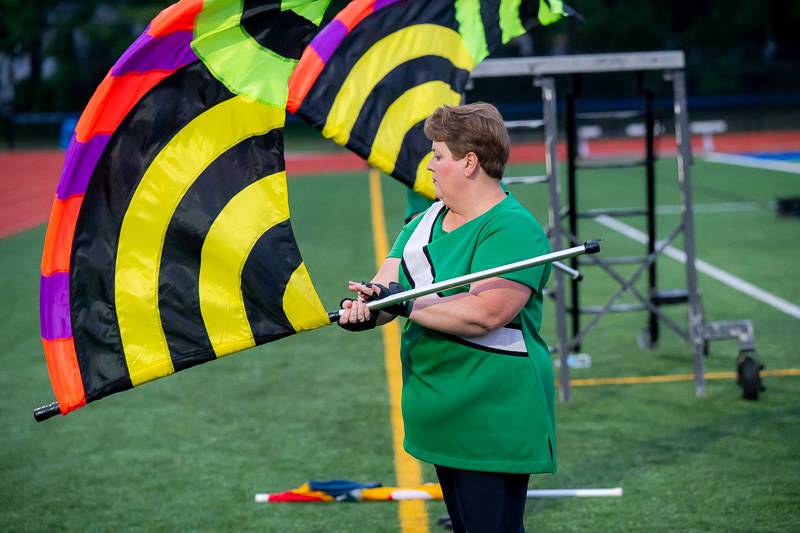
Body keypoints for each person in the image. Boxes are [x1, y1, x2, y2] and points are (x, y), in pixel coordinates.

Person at [339, 102, 555, 533]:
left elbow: (485, 314)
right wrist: (367, 309)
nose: (430, 166)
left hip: (491, 411)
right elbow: (388, 289)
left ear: (469, 162)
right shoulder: (423, 222)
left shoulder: (513, 229)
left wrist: (402, 304)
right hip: (440, 407)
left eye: (438, 155)